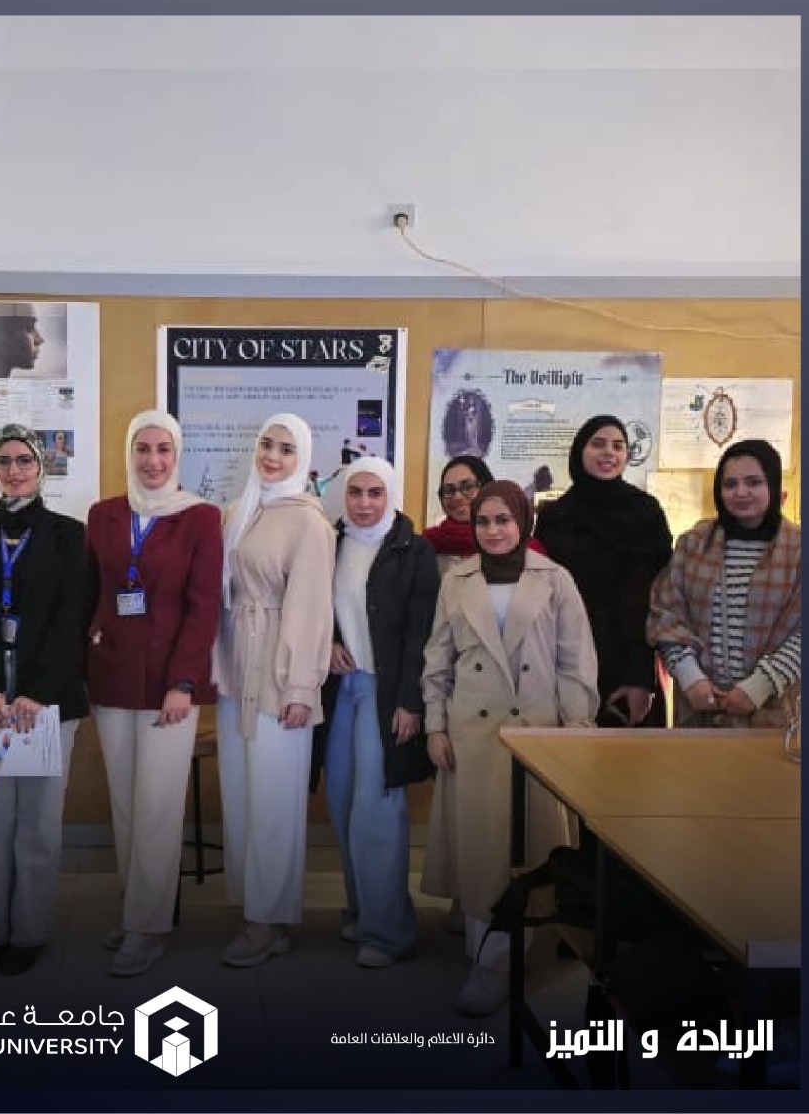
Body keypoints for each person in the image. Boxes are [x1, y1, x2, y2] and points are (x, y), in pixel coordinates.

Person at [420, 481, 598, 1016]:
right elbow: (437, 661)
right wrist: (435, 726)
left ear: (523, 521)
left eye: (503, 520)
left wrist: (577, 730)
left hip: (535, 732)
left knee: (524, 850)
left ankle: (499, 960)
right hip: (473, 734)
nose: (493, 531)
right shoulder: (457, 579)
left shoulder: (555, 579)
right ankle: (489, 955)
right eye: (483, 521)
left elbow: (576, 662)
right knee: (482, 849)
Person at [85, 411, 222, 977]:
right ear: (129, 452)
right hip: (112, 677)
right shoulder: (103, 515)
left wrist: (184, 681)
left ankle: (148, 926)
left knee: (159, 805)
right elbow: (92, 588)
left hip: (170, 687)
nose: (153, 460)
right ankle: (138, 908)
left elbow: (204, 607)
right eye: (143, 448)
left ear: (178, 454)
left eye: (164, 449)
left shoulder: (200, 517)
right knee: (125, 803)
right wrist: (92, 630)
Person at [0, 424, 87, 977]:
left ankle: (27, 932)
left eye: (24, 460)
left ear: (40, 467)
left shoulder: (68, 534)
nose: (14, 470)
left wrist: (39, 693)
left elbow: (71, 619)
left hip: (46, 699)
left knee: (38, 823)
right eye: (3, 461)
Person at [212, 413, 335, 967]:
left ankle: (269, 917)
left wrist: (301, 687)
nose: (273, 456)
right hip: (238, 670)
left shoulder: (309, 521)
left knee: (275, 802)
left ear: (302, 458)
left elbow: (311, 609)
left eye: (287, 449)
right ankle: (255, 908)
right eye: (267, 444)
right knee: (242, 796)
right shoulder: (239, 511)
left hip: (282, 675)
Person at [314, 457, 440, 970]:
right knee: (343, 800)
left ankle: (389, 932)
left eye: (375, 493)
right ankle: (361, 908)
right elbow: (316, 607)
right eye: (355, 493)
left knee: (378, 808)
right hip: (340, 690)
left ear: (391, 495)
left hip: (386, 693)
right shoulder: (330, 542)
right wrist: (329, 642)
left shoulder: (414, 550)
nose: (364, 503)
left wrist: (411, 701)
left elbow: (421, 633)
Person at [647, 439, 801, 728]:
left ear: (773, 485)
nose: (741, 492)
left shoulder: (800, 548)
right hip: (699, 709)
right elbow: (666, 616)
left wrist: (760, 685)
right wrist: (691, 679)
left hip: (776, 712)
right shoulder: (693, 542)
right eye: (730, 484)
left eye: (754, 482)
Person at [534, 416, 673, 728]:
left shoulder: (646, 514)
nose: (609, 452)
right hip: (564, 654)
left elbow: (657, 599)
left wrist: (640, 677)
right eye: (598, 444)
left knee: (626, 754)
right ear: (579, 451)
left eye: (618, 446)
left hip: (629, 661)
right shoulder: (555, 516)